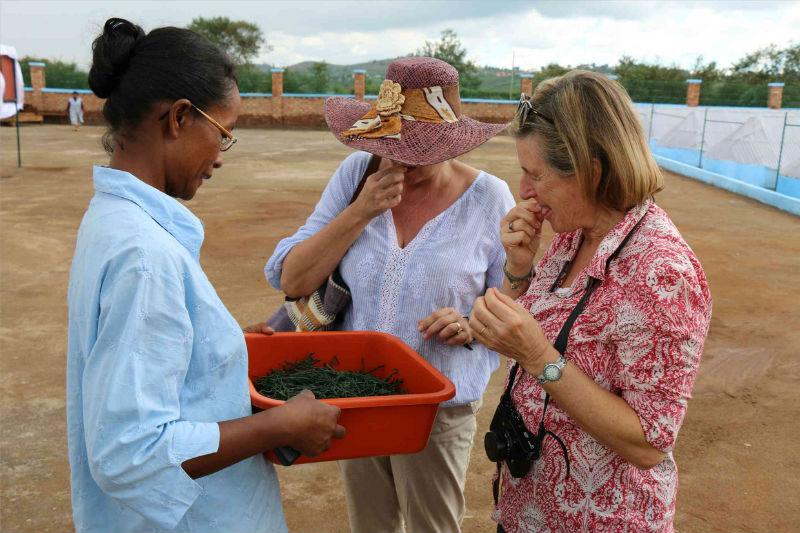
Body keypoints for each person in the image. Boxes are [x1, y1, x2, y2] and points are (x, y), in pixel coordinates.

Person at [66, 18, 344, 533]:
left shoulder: (116, 219)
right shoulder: (144, 255)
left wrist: (214, 345)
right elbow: (131, 452)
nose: (220, 157)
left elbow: (134, 353)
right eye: (223, 134)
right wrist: (277, 425)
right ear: (177, 118)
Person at [261, 57, 515, 533]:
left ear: (451, 143)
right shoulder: (357, 174)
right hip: (357, 400)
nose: (402, 160)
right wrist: (360, 211)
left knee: (432, 526)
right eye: (391, 145)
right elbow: (292, 279)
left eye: (422, 150)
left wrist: (471, 326)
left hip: (436, 408)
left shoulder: (490, 198)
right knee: (370, 525)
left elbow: (512, 301)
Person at [468, 70, 712, 533]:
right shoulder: (571, 237)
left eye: (534, 173)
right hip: (530, 512)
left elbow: (648, 444)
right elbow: (517, 336)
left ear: (592, 169)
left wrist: (540, 357)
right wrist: (519, 268)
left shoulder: (661, 272)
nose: (523, 191)